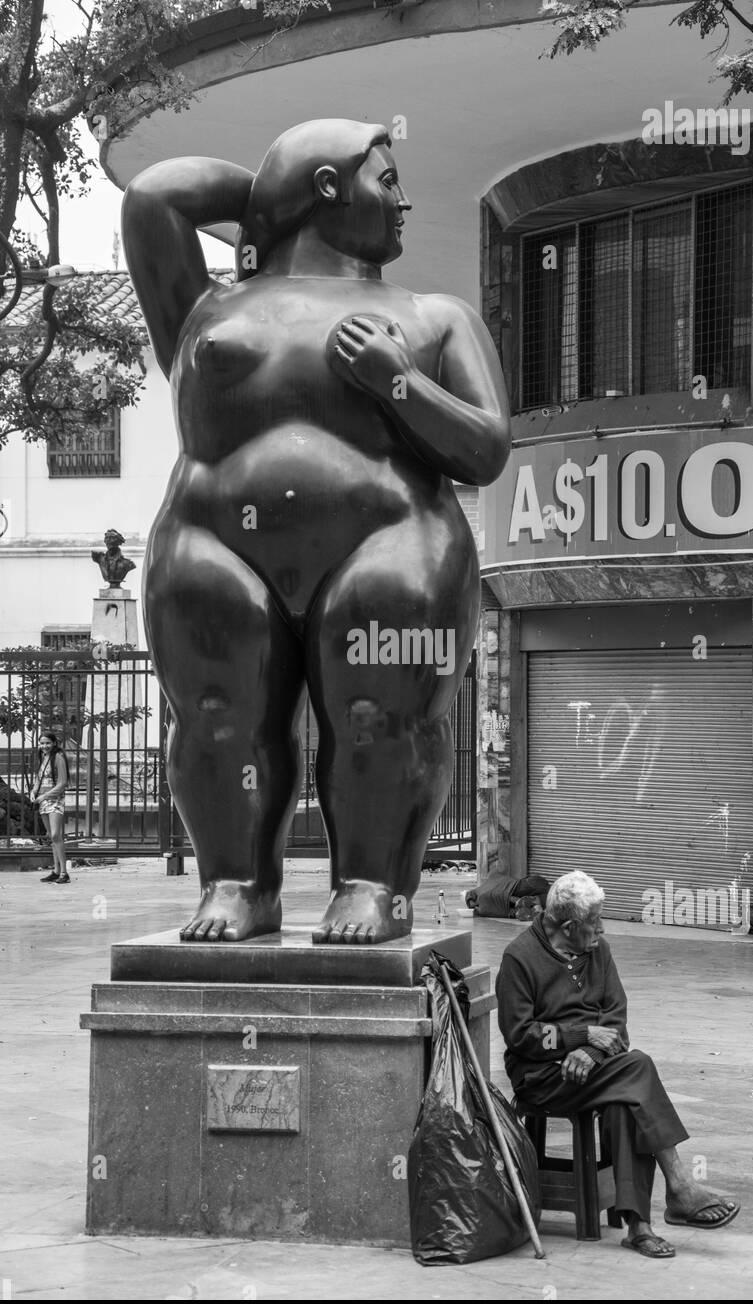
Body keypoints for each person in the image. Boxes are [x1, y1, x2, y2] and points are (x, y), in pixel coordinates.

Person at [121, 119, 510, 945]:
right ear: (328, 188)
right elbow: (155, 194)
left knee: (378, 715)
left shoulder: (434, 317)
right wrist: (272, 199)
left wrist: (400, 385)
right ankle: (237, 883)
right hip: (212, 540)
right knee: (218, 717)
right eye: (385, 178)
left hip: (391, 542)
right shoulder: (205, 308)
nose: (403, 199)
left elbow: (485, 449)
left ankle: (371, 884)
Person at [496, 870, 740, 1257]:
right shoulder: (520, 958)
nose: (602, 929)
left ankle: (639, 1227)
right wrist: (581, 1036)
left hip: (596, 1069)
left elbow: (616, 1021)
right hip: (541, 1076)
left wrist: (592, 1052)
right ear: (571, 926)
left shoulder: (598, 951)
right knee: (638, 1067)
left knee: (626, 1101)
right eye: (594, 922)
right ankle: (678, 1186)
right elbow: (520, 1035)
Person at [30, 731, 70, 884]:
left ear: (54, 743)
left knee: (55, 835)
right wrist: (34, 791)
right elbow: (39, 779)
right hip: (42, 799)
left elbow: (62, 783)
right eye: (42, 743)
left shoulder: (58, 757)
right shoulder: (43, 757)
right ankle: (56, 870)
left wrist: (44, 796)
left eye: (47, 743)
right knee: (50, 836)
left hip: (55, 799)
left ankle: (65, 873)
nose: (44, 746)